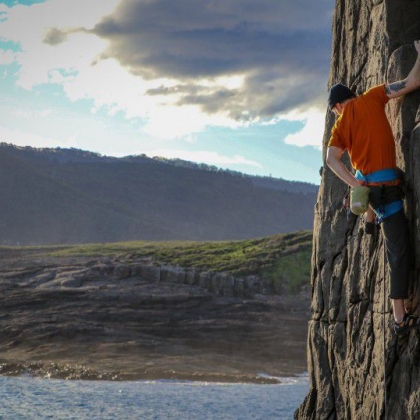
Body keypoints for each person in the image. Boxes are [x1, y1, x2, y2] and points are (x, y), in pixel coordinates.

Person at [326, 40, 420, 336]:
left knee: (396, 252)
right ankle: (400, 318)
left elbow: (331, 160)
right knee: (398, 251)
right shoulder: (375, 95)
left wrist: (356, 185)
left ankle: (399, 319)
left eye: (334, 111)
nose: (336, 115)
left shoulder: (341, 125)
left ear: (338, 105)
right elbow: (413, 81)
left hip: (375, 192)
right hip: (388, 187)